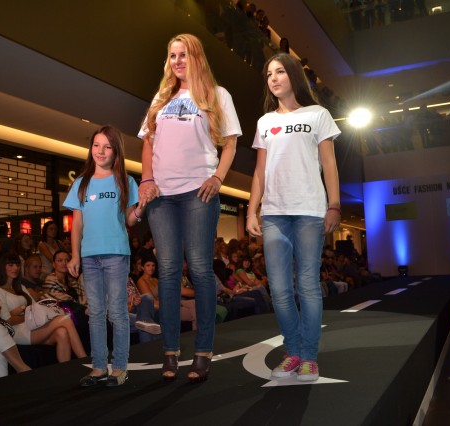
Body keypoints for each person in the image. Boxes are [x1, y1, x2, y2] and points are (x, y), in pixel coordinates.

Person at [138, 33, 241, 382]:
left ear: (196, 57)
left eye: (183, 54)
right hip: (161, 196)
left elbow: (230, 144)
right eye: (172, 55)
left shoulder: (217, 94)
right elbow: (148, 143)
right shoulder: (161, 98)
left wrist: (218, 177)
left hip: (199, 192)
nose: (177, 61)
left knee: (199, 269)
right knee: (167, 271)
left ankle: (202, 351)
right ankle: (170, 352)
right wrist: (146, 180)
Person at [246, 52, 341, 382]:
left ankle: (309, 357)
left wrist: (334, 205)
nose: (273, 78)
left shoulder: (318, 114)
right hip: (274, 212)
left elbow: (329, 163)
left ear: (294, 76)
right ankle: (293, 352)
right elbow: (260, 171)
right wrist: (251, 209)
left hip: (310, 210)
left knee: (308, 286)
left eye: (280, 72)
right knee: (279, 289)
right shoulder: (264, 122)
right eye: (269, 74)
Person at [64, 125, 142, 388]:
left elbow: (130, 219)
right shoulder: (81, 183)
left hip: (116, 254)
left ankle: (119, 368)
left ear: (116, 151)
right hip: (89, 256)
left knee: (117, 313)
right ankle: (98, 367)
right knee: (95, 313)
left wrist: (142, 206)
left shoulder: (125, 181)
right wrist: (74, 255)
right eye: (96, 145)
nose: (100, 151)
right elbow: (77, 224)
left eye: (107, 146)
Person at [0, 253, 87, 363]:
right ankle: (84, 360)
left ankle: (65, 369)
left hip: (32, 325)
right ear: (3, 267)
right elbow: (8, 320)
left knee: (62, 332)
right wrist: (26, 314)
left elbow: (34, 307)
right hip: (17, 331)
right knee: (66, 320)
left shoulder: (20, 287)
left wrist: (23, 310)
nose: (15, 268)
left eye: (17, 265)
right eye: (10, 265)